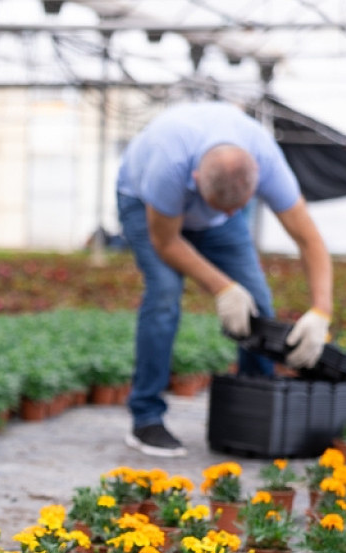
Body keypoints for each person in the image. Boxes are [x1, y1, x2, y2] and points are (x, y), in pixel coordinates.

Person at [116, 100, 333, 457]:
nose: (233, 213)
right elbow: (167, 242)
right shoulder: (169, 164)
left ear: (256, 177)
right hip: (146, 205)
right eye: (223, 207)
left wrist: (321, 311)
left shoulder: (265, 158)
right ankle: (146, 417)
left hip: (214, 216)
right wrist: (223, 287)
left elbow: (309, 240)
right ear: (196, 180)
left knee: (257, 301)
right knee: (165, 293)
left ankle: (256, 409)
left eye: (240, 208)